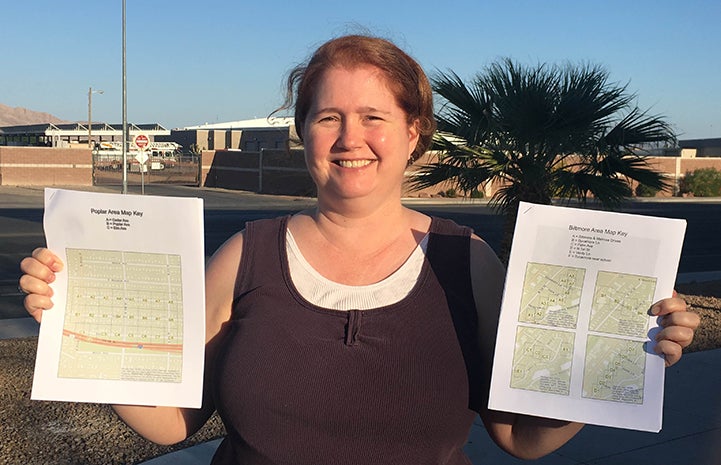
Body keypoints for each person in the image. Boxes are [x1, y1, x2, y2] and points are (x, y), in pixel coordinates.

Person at [18, 35, 699, 464]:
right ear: (304, 132)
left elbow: (521, 437)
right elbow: (171, 425)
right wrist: (80, 327)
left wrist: (615, 362)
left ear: (413, 134)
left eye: (374, 116)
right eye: (328, 116)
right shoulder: (244, 255)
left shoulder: (469, 265)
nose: (350, 137)